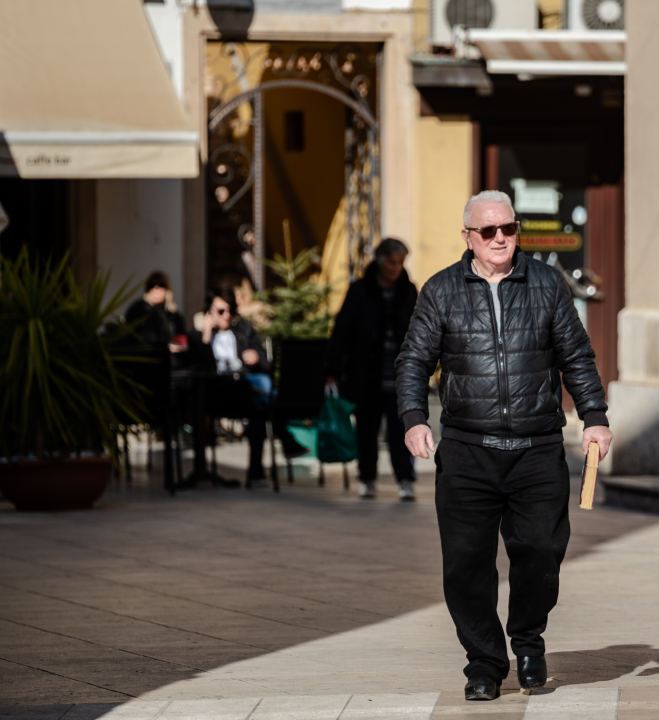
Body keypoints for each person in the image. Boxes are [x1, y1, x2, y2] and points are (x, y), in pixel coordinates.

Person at [396, 191, 612, 701]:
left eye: (509, 229)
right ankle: (485, 664)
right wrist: (412, 419)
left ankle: (528, 641)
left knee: (541, 550)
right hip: (468, 451)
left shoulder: (545, 284)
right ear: (468, 236)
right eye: (488, 231)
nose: (500, 239)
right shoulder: (441, 290)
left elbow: (575, 354)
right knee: (466, 565)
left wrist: (595, 417)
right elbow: (413, 360)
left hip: (537, 448)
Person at [326, 238, 419, 500]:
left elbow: (420, 329)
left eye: (400, 262)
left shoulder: (408, 290)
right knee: (367, 429)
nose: (396, 267)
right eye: (392, 262)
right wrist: (332, 368)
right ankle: (367, 478)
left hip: (400, 374)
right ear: (380, 261)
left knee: (400, 430)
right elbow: (341, 331)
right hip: (367, 373)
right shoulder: (360, 290)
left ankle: (405, 479)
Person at [192, 286, 307, 487]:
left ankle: (257, 472)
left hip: (246, 392)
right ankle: (284, 436)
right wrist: (205, 337)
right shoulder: (199, 334)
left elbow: (266, 365)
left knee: (258, 402)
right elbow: (197, 368)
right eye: (220, 311)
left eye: (229, 311)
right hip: (218, 393)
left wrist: (256, 359)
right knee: (263, 391)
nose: (226, 316)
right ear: (209, 311)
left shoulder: (244, 329)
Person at [125, 271, 187, 354]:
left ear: (167, 290)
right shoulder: (139, 310)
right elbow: (136, 339)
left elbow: (182, 341)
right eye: (152, 285)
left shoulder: (173, 315)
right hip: (147, 360)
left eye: (161, 285)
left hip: (171, 362)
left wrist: (177, 347)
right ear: (147, 290)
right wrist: (165, 347)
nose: (156, 289)